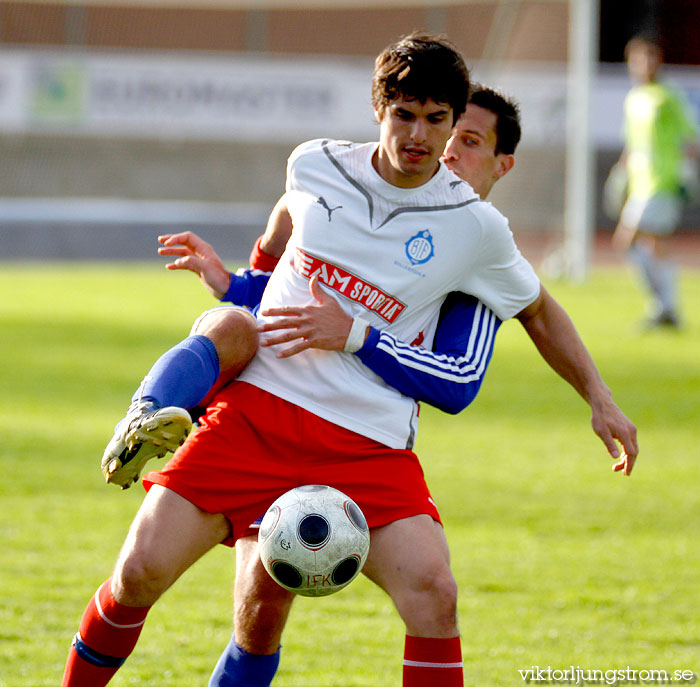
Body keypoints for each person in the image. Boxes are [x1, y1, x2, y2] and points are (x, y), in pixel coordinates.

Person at [63, 34, 637, 687]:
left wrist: (600, 396)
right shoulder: (316, 164)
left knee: (433, 595)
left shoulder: (475, 228)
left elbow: (538, 310)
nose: (419, 134)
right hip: (254, 415)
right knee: (139, 572)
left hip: (366, 442)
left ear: (452, 123)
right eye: (404, 113)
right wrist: (246, 276)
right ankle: (148, 414)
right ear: (378, 110)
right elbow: (285, 222)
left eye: (436, 119)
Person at [611, 35, 699, 328]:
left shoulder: (668, 95)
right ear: (630, 64)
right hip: (640, 184)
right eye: (639, 59)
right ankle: (666, 309)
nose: (645, 64)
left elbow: (689, 136)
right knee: (654, 244)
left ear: (658, 61)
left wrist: (689, 173)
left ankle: (663, 307)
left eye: (650, 58)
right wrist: (620, 174)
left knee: (628, 239)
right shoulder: (634, 98)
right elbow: (632, 143)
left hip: (663, 181)